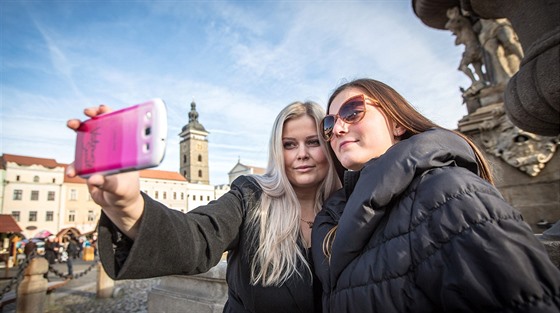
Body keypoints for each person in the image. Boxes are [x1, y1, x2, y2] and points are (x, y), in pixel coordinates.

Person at [65, 101, 341, 313]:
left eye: (313, 142)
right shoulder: (251, 196)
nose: (301, 154)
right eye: (289, 145)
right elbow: (197, 236)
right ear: (277, 153)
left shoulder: (350, 205)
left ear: (329, 144)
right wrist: (128, 206)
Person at [311, 78, 560, 312]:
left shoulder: (449, 192)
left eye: (352, 111)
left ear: (397, 123)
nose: (339, 129)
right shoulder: (337, 213)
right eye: (329, 124)